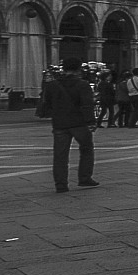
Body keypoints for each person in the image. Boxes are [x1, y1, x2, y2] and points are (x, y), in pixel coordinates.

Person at [41, 63, 98, 192]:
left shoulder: (52, 85)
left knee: (60, 155)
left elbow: (47, 103)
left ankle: (61, 184)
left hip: (60, 123)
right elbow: (87, 104)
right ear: (78, 70)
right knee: (87, 149)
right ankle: (84, 178)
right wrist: (91, 121)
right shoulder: (83, 84)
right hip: (79, 123)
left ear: (64, 70)